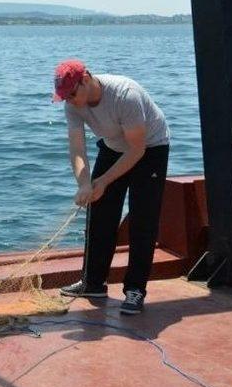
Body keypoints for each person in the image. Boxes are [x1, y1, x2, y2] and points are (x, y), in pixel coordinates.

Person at [52, 59, 170, 315]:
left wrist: (103, 181)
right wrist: (84, 183)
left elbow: (137, 150)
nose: (70, 100)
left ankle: (135, 290)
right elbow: (77, 148)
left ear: (86, 79)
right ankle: (93, 282)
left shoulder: (125, 95)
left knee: (143, 219)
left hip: (150, 149)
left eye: (72, 94)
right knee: (100, 212)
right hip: (113, 146)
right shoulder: (73, 105)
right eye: (65, 97)